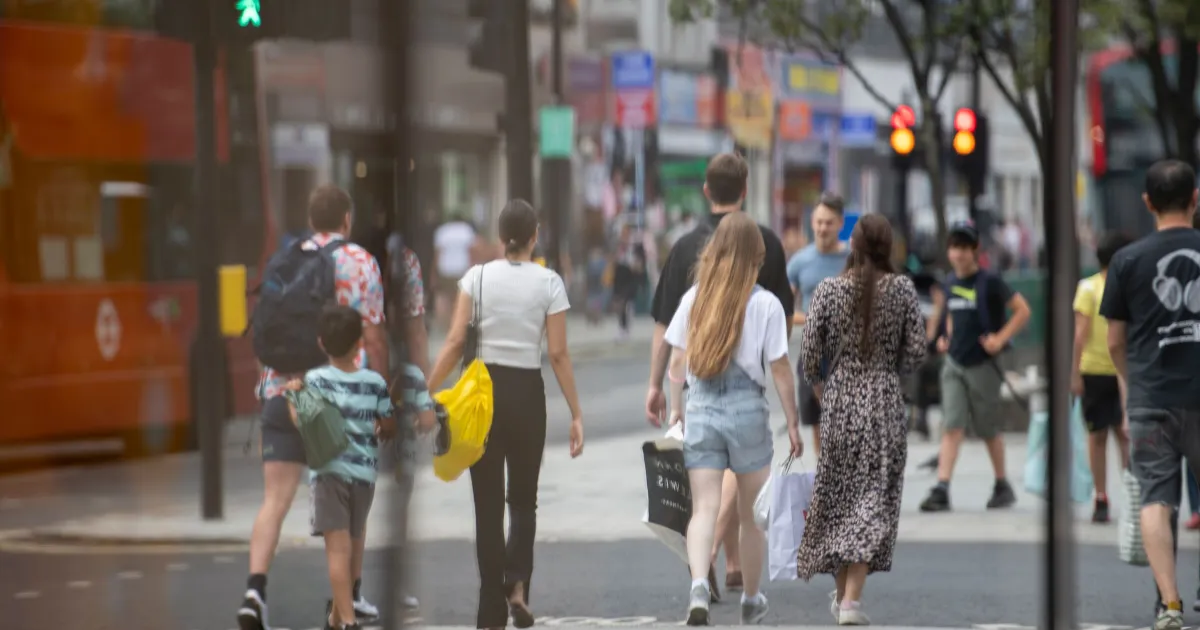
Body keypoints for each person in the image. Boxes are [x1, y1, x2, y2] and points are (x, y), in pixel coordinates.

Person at [427, 199, 586, 630]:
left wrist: (428, 389)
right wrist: (575, 412)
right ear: (535, 237)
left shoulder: (475, 279)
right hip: (528, 395)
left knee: (488, 505)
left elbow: (456, 339)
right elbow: (557, 353)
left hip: (484, 395)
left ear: (500, 238)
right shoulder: (550, 282)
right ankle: (518, 587)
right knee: (523, 501)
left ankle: (490, 607)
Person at [238, 185, 389, 630]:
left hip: (282, 392)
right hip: (338, 400)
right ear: (346, 219)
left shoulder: (285, 260)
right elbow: (375, 336)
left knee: (274, 501)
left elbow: (265, 332)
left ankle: (254, 591)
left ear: (310, 219)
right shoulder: (360, 262)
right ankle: (350, 599)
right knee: (349, 501)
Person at [646, 152, 795, 602]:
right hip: (748, 402)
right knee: (751, 511)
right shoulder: (764, 272)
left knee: (704, 503)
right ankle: (747, 592)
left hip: (701, 399)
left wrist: (664, 395)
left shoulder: (688, 272)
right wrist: (792, 419)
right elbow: (780, 356)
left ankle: (700, 577)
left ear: (707, 191)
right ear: (745, 192)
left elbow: (669, 343)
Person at [796, 214, 926, 625]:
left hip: (839, 406)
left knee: (840, 500)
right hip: (884, 406)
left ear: (852, 244)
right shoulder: (903, 289)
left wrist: (823, 392)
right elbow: (917, 354)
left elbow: (808, 358)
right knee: (874, 502)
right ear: (888, 247)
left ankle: (842, 598)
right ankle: (850, 601)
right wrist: (890, 367)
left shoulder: (828, 290)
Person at [1099, 159, 1200, 630]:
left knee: (1157, 499)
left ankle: (1170, 605)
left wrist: (1131, 380)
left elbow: (1114, 341)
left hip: (1151, 400)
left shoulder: (1125, 261)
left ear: (1147, 204)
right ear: (1195, 199)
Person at [285, 306, 396, 630]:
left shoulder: (315, 380)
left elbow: (301, 422)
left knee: (337, 550)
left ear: (321, 343)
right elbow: (388, 423)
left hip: (329, 475)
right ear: (360, 343)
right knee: (354, 547)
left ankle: (346, 620)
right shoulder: (374, 382)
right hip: (364, 477)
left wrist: (294, 398)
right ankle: (337, 617)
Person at [920, 220, 1031, 513]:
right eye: (954, 247)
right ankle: (942, 487)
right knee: (952, 425)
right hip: (954, 363)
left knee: (988, 428)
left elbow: (1022, 310)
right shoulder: (949, 283)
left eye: (964, 247)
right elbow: (951, 316)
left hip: (983, 366)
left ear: (974, 250)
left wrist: (1000, 339)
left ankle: (1001, 483)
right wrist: (944, 339)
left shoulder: (990, 281)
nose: (958, 254)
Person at [1071, 231, 1135, 523]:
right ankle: (1115, 496)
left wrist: (1075, 373)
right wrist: (1076, 373)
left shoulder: (1104, 288)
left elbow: (1079, 337)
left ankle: (1116, 496)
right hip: (1107, 370)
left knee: (1110, 437)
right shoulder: (1100, 287)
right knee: (1112, 436)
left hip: (1107, 370)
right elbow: (1080, 336)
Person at [786, 192, 850, 457]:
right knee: (818, 421)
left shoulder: (853, 259)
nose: (823, 228)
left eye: (829, 222)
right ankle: (824, 478)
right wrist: (811, 318)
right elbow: (785, 310)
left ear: (840, 224)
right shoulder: (800, 262)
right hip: (812, 351)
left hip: (847, 353)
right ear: (812, 222)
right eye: (819, 222)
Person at [433, 214, 477, 321]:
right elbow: (472, 252)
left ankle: (448, 324)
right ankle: (459, 322)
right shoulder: (467, 230)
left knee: (446, 298)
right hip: (462, 269)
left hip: (445, 270)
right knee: (460, 297)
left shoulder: (442, 231)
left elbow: (437, 254)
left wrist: (433, 273)